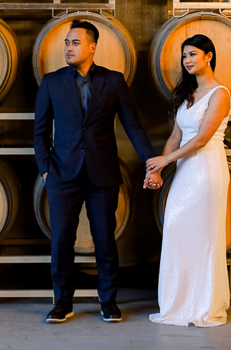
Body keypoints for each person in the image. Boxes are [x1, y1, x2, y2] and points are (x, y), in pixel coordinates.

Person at [34, 19, 159, 324]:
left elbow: (133, 126)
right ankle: (63, 302)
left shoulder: (113, 81)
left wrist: (151, 163)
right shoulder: (51, 82)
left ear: (92, 47)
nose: (69, 48)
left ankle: (108, 301)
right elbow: (40, 132)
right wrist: (46, 170)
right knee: (61, 241)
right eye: (67, 43)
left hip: (102, 174)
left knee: (105, 240)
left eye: (75, 43)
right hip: (62, 174)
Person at [145, 34, 231, 327]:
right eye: (184, 56)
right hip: (185, 171)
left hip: (207, 170)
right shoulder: (188, 93)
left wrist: (165, 161)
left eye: (193, 54)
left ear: (209, 56)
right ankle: (178, 303)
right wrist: (157, 170)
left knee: (204, 237)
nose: (187, 60)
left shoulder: (220, 93)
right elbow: (176, 135)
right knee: (175, 229)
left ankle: (204, 305)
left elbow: (203, 138)